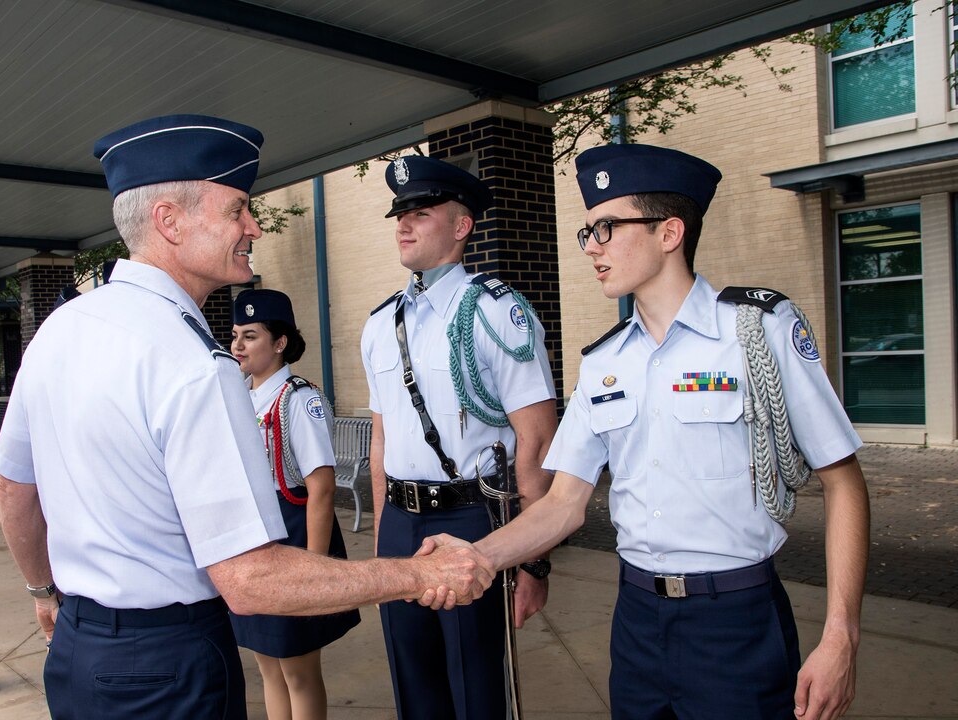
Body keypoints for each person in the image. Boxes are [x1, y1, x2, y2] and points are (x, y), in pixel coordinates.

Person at [0, 115, 494, 720]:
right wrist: (417, 577)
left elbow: (10, 487)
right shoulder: (194, 365)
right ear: (169, 221)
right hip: (167, 666)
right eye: (236, 210)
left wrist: (44, 591)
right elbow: (252, 581)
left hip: (77, 646)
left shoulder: (59, 329)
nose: (253, 226)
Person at [423, 143, 870, 720]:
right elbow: (563, 503)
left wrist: (841, 637)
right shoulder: (605, 363)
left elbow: (843, 481)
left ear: (669, 232)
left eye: (606, 228)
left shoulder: (757, 331)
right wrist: (477, 556)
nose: (592, 248)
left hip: (734, 621)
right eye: (587, 233)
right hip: (636, 622)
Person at [360, 156, 558, 720]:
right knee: (412, 683)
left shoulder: (500, 313)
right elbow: (382, 443)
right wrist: (382, 543)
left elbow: (537, 444)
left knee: (476, 689)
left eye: (420, 213)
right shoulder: (380, 324)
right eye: (400, 213)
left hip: (473, 519)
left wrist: (533, 561)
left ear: (461, 225)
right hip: (401, 518)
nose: (404, 224)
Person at [229, 288, 360, 720]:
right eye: (235, 336)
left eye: (250, 336)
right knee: (268, 664)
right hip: (255, 542)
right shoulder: (240, 397)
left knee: (299, 671)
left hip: (296, 536)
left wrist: (314, 572)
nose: (238, 346)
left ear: (280, 341)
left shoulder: (299, 398)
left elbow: (321, 488)